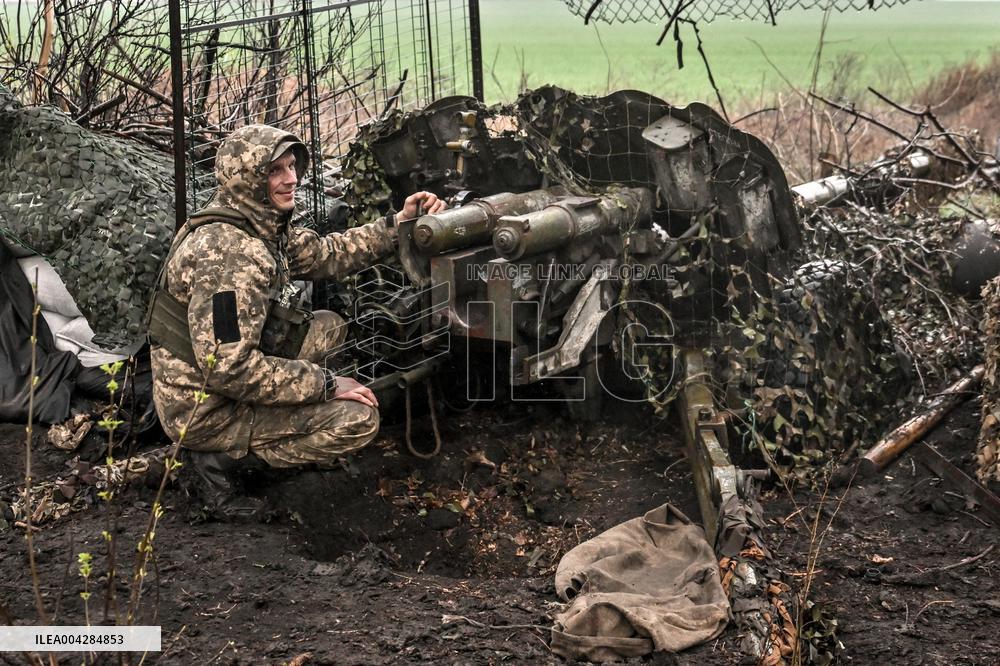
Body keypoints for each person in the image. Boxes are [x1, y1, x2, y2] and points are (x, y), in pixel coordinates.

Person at [148, 124, 444, 519]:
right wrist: (326, 385)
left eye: (292, 166)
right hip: (204, 409)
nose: (292, 179)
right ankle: (214, 465)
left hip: (218, 380)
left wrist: (398, 224)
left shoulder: (256, 222)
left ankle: (256, 440)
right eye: (275, 171)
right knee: (358, 420)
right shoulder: (232, 257)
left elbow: (326, 254)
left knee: (328, 326)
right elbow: (227, 369)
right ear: (247, 178)